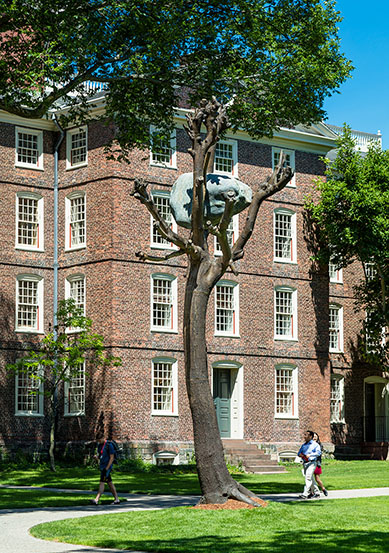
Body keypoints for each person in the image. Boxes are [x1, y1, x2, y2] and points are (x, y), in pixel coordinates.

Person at [91, 433, 120, 505]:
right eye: (98, 440)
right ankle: (116, 499)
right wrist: (96, 457)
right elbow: (100, 455)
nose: (99, 442)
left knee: (102, 482)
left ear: (103, 438)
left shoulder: (109, 445)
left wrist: (107, 468)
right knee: (110, 483)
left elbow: (111, 458)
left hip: (107, 467)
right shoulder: (100, 446)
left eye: (99, 440)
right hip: (102, 466)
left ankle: (96, 499)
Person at [297, 430, 321, 500]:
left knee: (308, 477)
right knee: (310, 478)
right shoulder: (304, 445)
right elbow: (299, 453)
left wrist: (310, 455)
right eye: (304, 435)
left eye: (306, 435)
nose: (304, 436)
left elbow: (318, 453)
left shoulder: (315, 445)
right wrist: (300, 455)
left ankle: (305, 494)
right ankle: (317, 493)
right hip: (305, 463)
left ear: (310, 436)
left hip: (312, 463)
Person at [312, 432, 328, 496]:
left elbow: (318, 454)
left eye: (316, 436)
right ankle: (312, 492)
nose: (315, 437)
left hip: (316, 464)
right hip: (310, 464)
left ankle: (323, 489)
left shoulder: (319, 445)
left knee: (317, 479)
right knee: (309, 479)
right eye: (313, 436)